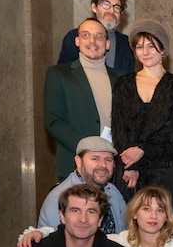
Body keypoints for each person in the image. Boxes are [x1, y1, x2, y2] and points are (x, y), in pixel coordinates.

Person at [111, 20, 173, 199]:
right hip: (128, 170)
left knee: (163, 220)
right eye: (139, 47)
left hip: (164, 166)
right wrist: (131, 165)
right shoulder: (123, 83)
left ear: (163, 49)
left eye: (151, 46)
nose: (145, 52)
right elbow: (118, 127)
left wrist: (142, 150)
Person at [45, 18, 121, 180]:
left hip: (113, 168)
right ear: (77, 41)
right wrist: (86, 149)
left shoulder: (121, 79)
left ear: (107, 44)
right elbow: (54, 121)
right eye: (86, 35)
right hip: (75, 166)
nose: (92, 41)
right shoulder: (59, 74)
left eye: (98, 36)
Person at [38, 136, 127, 234]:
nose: (103, 165)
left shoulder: (112, 191)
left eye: (108, 160)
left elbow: (125, 231)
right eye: (95, 159)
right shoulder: (60, 197)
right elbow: (58, 244)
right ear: (79, 161)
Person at [57, 0, 134, 75]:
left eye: (116, 7)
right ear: (94, 7)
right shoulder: (74, 36)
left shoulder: (127, 43)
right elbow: (63, 74)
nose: (111, 11)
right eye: (106, 4)